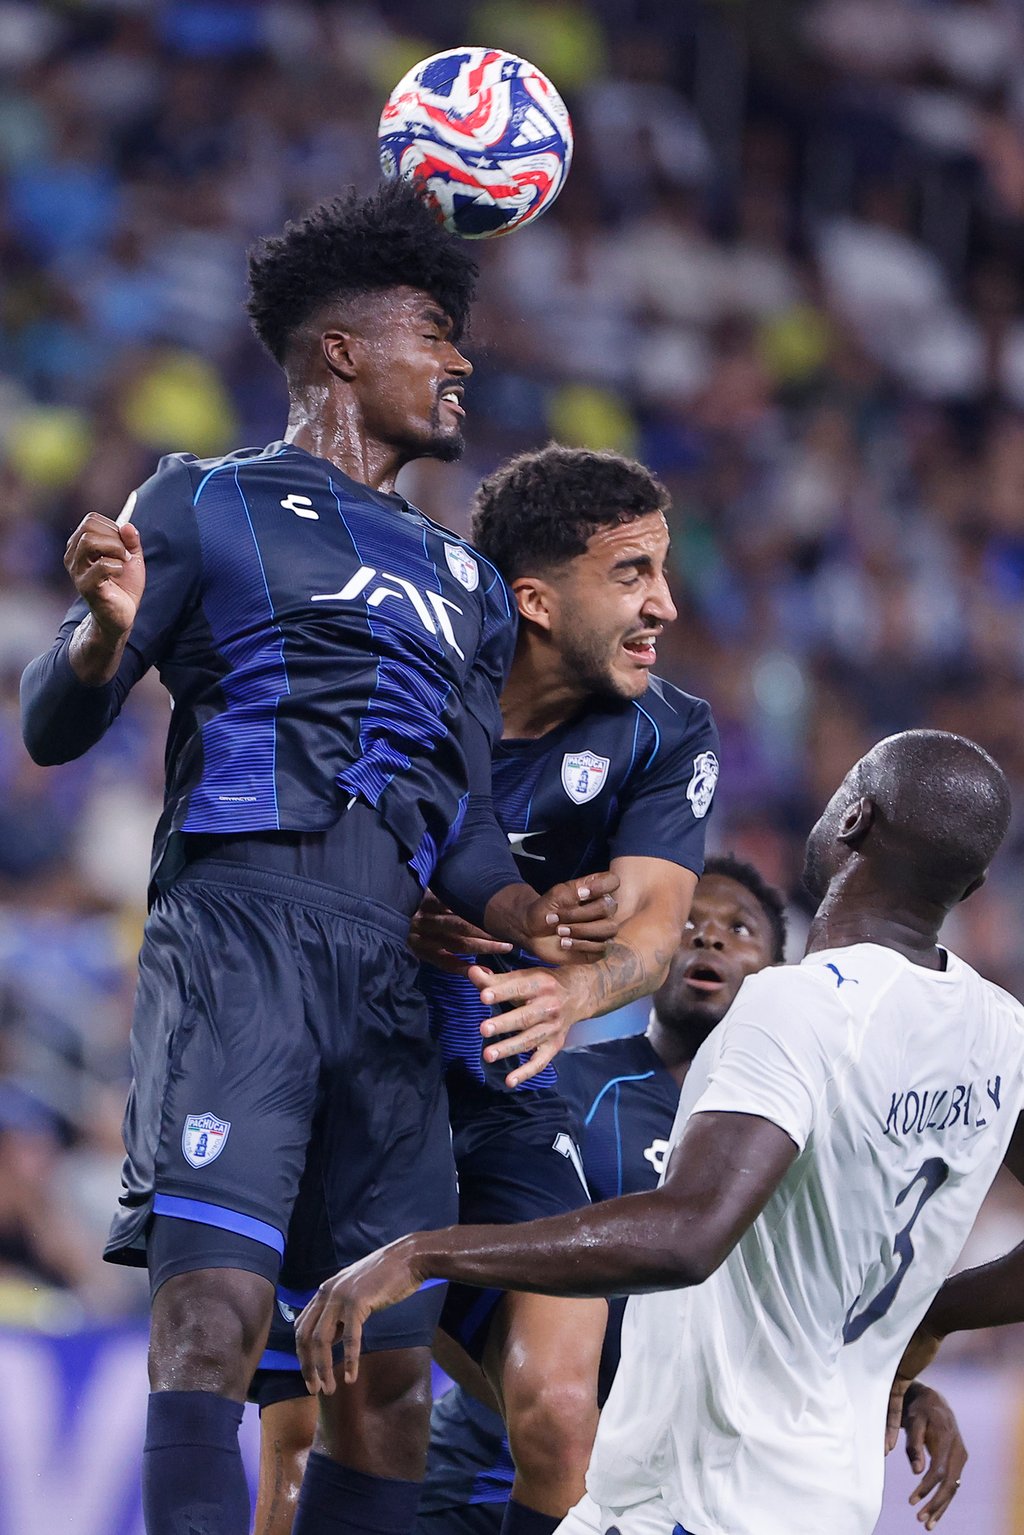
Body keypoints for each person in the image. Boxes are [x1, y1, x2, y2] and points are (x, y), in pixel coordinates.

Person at [19, 181, 616, 1535]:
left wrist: (531, 906)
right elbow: (57, 727)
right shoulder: (202, 499)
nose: (460, 358)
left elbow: (458, 823)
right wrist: (104, 634)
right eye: (430, 328)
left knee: (384, 1372)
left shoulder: (466, 581)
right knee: (213, 1320)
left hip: (389, 978)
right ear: (340, 348)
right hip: (242, 936)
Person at [297, 728, 1024, 1535]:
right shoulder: (1001, 1031)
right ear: (975, 880)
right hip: (826, 1506)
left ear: (852, 817)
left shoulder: (799, 1006)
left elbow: (686, 1236)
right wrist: (928, 1317)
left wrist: (421, 1252)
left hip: (689, 1501)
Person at [252, 443, 719, 1535]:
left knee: (560, 1412)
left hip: (503, 1077)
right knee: (309, 1434)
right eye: (634, 574)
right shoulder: (408, 671)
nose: (667, 604)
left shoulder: (664, 729)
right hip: (341, 1070)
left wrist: (574, 990)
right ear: (535, 600)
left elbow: (653, 928)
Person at [415, 858, 964, 1535]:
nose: (708, 938)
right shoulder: (550, 1088)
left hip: (669, 1487)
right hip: (492, 1470)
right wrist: (513, 1394)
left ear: (780, 977)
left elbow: (812, 1308)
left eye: (738, 928)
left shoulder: (807, 1140)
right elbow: (446, 1260)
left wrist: (900, 1387)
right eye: (687, 923)